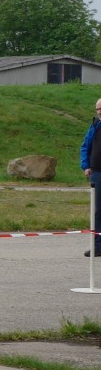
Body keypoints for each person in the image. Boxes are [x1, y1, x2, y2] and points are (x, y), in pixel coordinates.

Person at [79, 98, 101, 256]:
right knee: (98, 211)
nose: (99, 112)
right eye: (97, 109)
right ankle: (98, 246)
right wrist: (86, 166)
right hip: (97, 174)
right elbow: (85, 146)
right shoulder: (95, 126)